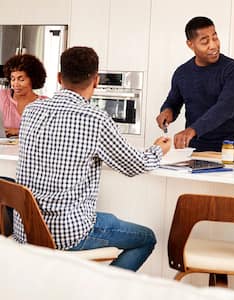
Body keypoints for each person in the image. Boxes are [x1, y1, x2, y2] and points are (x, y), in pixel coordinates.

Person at [13, 46, 171, 272]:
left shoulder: (31, 110)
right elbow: (135, 165)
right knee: (146, 238)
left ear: (59, 78)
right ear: (96, 80)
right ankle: (101, 291)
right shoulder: (95, 118)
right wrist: (158, 150)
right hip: (67, 233)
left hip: (26, 229)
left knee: (106, 219)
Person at [156, 16, 234, 152]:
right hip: (195, 149)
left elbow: (226, 107)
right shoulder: (182, 73)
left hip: (230, 149)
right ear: (190, 44)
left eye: (215, 38)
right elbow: (173, 101)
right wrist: (167, 111)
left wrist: (193, 129)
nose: (213, 45)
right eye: (205, 42)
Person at [0, 54, 47, 137]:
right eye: (13, 79)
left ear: (33, 79)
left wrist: (18, 131)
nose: (15, 84)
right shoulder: (2, 97)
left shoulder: (45, 103)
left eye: (21, 79)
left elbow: (47, 132)